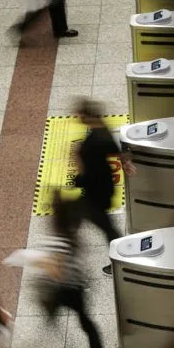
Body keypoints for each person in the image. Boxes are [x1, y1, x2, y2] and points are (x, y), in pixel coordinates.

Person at [31, 192, 110, 348]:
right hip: (77, 288)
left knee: (51, 316)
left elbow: (56, 273)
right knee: (87, 324)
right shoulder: (73, 235)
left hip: (61, 291)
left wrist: (39, 262)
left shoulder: (57, 241)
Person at [72, 98, 130, 277]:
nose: (77, 117)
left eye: (79, 114)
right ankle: (68, 251)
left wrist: (77, 172)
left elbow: (89, 174)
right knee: (76, 217)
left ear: (86, 116)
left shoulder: (92, 143)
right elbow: (115, 150)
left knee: (107, 227)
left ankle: (121, 261)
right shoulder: (101, 130)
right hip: (104, 187)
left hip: (96, 192)